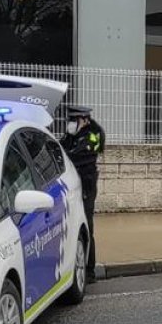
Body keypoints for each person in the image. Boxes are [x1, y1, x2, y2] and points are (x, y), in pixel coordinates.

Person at [60, 105, 106, 283]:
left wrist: (66, 152)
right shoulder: (72, 135)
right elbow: (61, 149)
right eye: (70, 120)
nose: (71, 124)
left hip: (86, 185)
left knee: (86, 225)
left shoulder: (93, 134)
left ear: (85, 120)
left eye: (74, 120)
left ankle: (89, 271)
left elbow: (77, 157)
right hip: (73, 183)